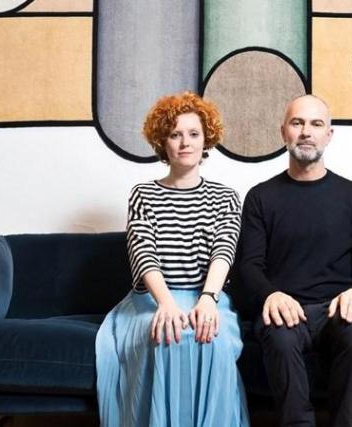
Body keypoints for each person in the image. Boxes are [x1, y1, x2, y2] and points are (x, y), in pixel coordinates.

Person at [96, 92, 250, 426]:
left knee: (212, 339)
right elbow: (143, 252)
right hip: (151, 299)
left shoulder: (225, 197)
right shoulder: (143, 194)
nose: (185, 142)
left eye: (193, 134)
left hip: (207, 295)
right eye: (175, 134)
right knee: (164, 336)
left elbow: (224, 251)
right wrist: (165, 303)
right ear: (162, 142)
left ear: (206, 139)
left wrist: (208, 299)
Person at [237, 94, 352, 426]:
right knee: (279, 334)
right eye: (297, 123)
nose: (306, 131)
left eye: (316, 124)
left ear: (328, 135)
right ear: (283, 132)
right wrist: (271, 295)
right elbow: (249, 265)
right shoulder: (260, 197)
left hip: (337, 308)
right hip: (286, 308)